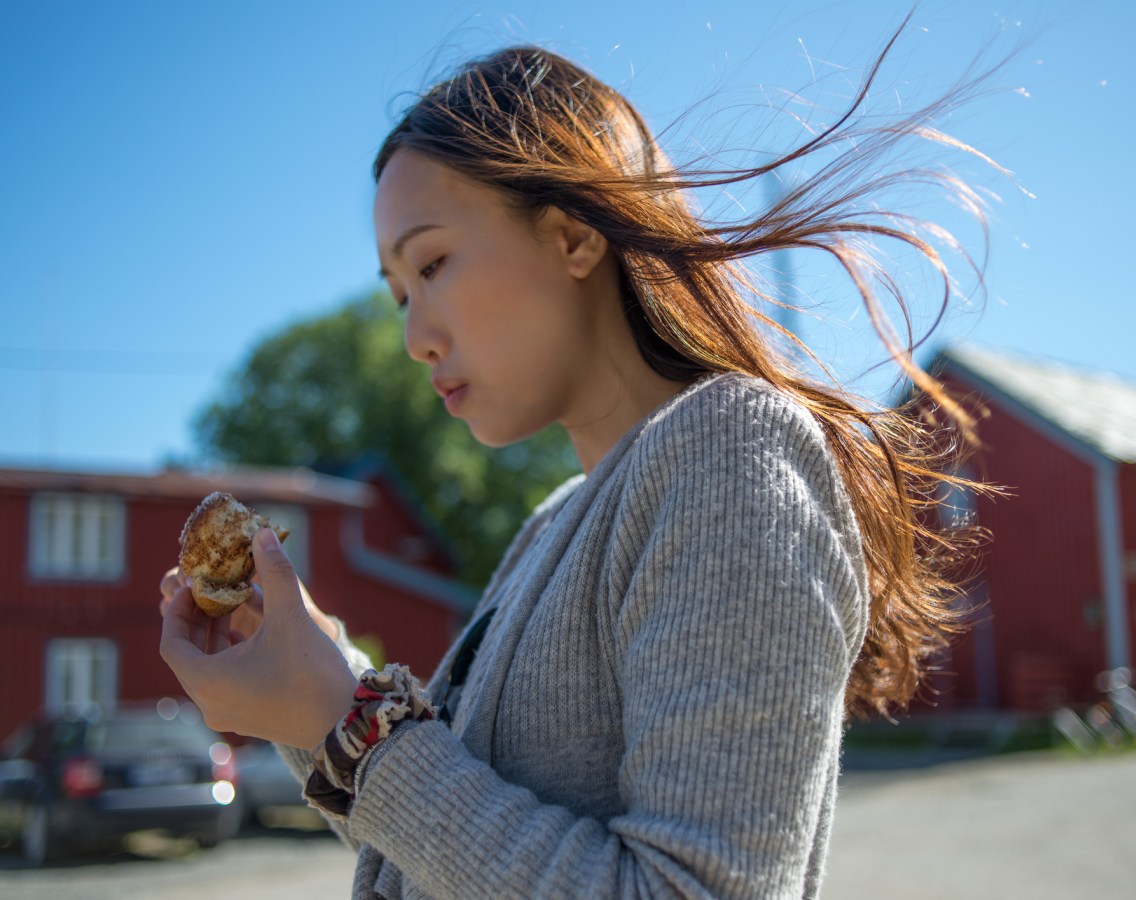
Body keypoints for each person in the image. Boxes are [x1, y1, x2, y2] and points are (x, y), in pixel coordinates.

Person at [160, 32, 991, 899]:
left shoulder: (731, 450)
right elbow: (441, 849)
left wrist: (352, 728)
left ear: (574, 236)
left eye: (434, 264)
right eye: (399, 294)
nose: (413, 337)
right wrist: (307, 685)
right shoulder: (551, 522)